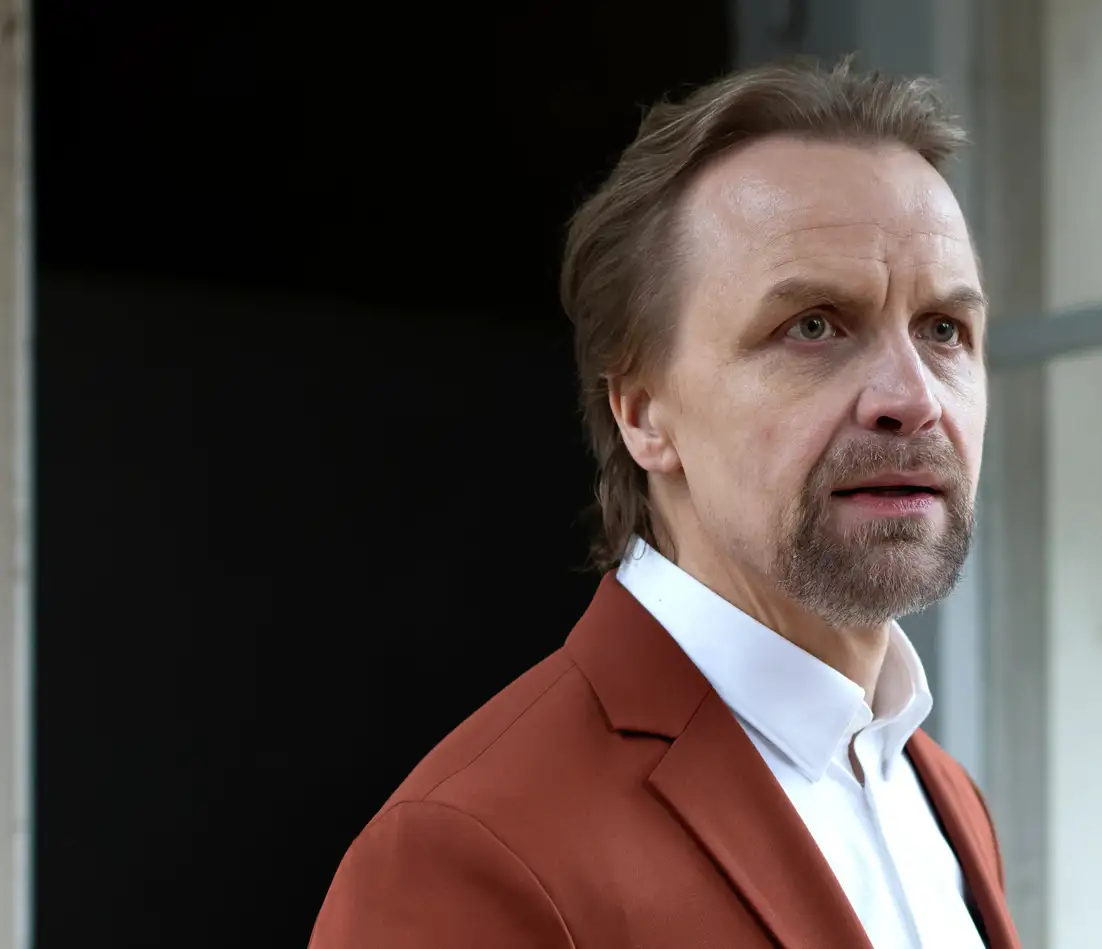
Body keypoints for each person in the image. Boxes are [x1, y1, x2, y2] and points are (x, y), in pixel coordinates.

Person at [308, 56, 1018, 949]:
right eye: (813, 325)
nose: (912, 398)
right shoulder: (469, 848)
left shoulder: (941, 794)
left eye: (944, 329)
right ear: (643, 411)